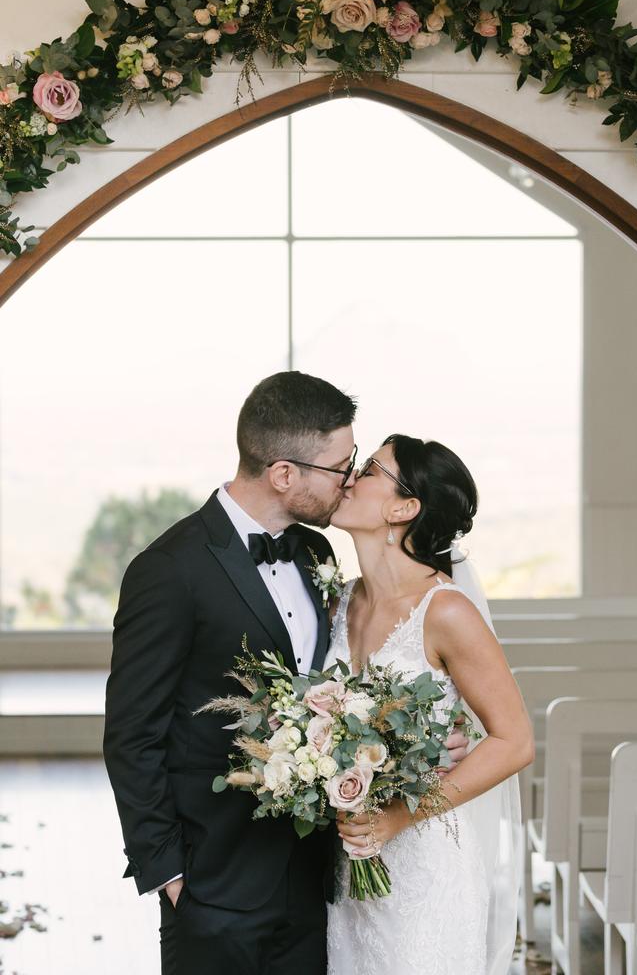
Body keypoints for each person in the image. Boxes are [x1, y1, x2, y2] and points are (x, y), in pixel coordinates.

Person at [103, 373, 469, 975]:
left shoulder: (317, 554)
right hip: (212, 882)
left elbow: (354, 689)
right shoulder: (169, 570)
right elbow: (131, 733)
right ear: (283, 474)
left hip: (315, 876)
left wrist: (426, 739)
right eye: (340, 465)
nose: (350, 479)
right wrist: (167, 873)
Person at [326, 434, 534, 975]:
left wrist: (397, 817)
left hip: (426, 867)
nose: (349, 476)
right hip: (343, 866)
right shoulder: (340, 600)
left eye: (369, 469)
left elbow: (515, 742)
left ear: (405, 507)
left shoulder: (445, 611)